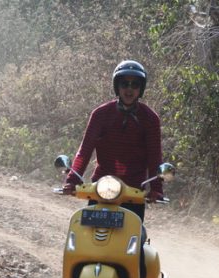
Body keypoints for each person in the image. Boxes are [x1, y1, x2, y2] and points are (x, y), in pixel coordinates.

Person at [61, 59, 164, 221]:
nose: (129, 89)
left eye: (135, 85)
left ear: (141, 88)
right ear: (117, 86)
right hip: (101, 187)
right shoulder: (100, 114)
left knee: (135, 235)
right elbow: (85, 150)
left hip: (134, 191)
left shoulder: (150, 119)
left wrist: (156, 189)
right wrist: (72, 180)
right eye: (124, 84)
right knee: (86, 230)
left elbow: (154, 156)